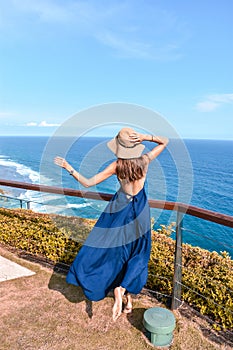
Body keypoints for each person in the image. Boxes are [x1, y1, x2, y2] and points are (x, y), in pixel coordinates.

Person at [54, 127, 169, 321]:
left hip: (120, 209)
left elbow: (88, 183)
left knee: (113, 251)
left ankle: (117, 290)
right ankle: (126, 295)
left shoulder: (117, 166)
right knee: (137, 253)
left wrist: (69, 168)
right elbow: (165, 141)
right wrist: (146, 136)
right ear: (135, 146)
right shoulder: (144, 161)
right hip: (139, 212)